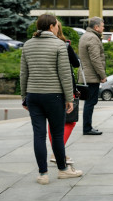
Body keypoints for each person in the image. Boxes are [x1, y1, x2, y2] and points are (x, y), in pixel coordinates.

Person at [20, 14, 83, 184]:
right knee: (57, 134)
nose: (57, 27)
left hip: (33, 95)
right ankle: (63, 170)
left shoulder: (28, 45)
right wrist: (69, 98)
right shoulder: (59, 45)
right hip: (54, 96)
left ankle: (42, 174)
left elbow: (23, 73)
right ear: (51, 26)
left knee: (38, 135)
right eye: (56, 25)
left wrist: (24, 97)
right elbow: (64, 74)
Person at [48, 20, 79, 166]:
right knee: (70, 120)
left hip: (47, 88)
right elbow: (76, 63)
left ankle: (57, 151)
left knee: (51, 122)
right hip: (64, 88)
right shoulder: (64, 45)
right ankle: (57, 152)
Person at [78, 17, 107, 135]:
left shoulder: (86, 36)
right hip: (91, 76)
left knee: (89, 102)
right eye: (102, 25)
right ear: (96, 27)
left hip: (87, 75)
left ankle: (87, 127)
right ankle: (87, 128)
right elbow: (96, 59)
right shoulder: (92, 38)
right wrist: (102, 75)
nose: (103, 27)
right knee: (90, 102)